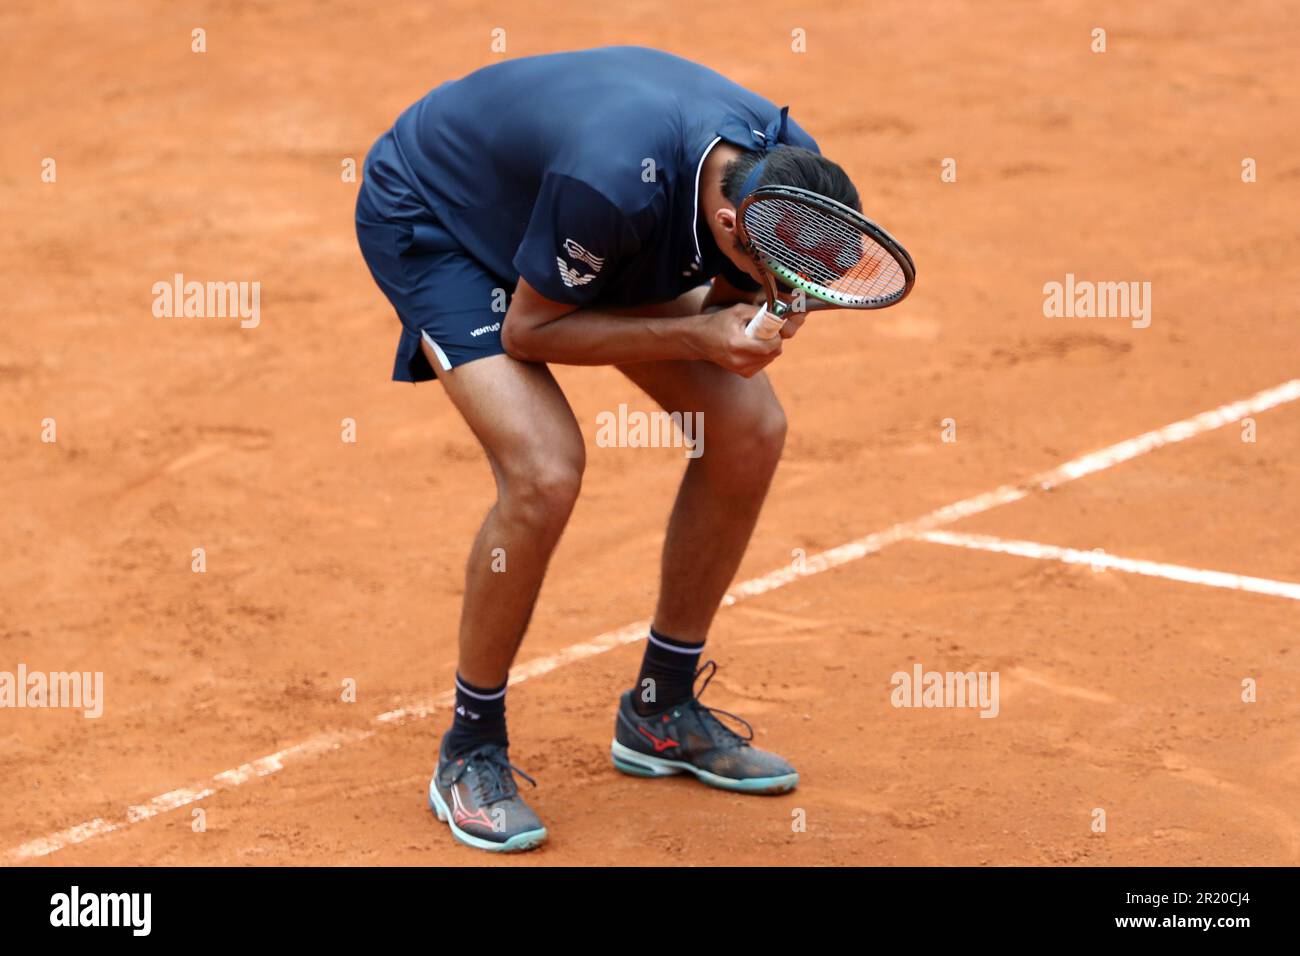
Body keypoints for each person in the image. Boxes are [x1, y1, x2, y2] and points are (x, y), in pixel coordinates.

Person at [355, 46, 862, 853]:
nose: (780, 289)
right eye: (771, 272)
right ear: (732, 224)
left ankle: (661, 709)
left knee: (750, 427)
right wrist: (700, 330)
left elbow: (734, 288)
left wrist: (765, 305)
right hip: (443, 216)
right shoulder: (613, 183)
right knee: (544, 471)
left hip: (594, 227)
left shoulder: (787, 171)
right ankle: (470, 749)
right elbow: (532, 329)